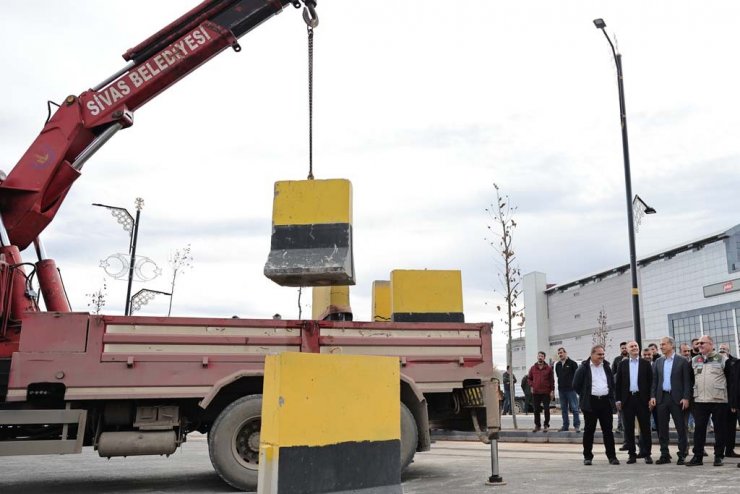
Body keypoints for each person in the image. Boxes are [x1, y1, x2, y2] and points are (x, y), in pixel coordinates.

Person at [686, 335, 731, 467]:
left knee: (719, 430)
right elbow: (690, 380)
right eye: (698, 343)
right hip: (700, 401)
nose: (699, 345)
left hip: (719, 401)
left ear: (711, 344)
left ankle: (718, 457)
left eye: (702, 343)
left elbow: (730, 380)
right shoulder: (695, 360)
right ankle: (697, 457)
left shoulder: (722, 359)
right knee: (699, 430)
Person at [573, 344, 619, 465]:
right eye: (599, 354)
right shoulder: (583, 368)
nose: (602, 356)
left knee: (608, 431)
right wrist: (585, 396)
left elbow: (611, 384)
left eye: (603, 354)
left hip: (605, 403)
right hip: (590, 403)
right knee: (589, 431)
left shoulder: (607, 367)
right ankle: (587, 457)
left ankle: (612, 457)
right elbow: (576, 385)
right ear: (592, 354)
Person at [649, 336, 691, 465]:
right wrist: (653, 396)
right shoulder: (658, 362)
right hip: (662, 398)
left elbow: (687, 381)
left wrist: (686, 397)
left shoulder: (682, 361)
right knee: (662, 428)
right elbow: (654, 381)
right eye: (660, 344)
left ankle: (682, 454)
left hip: (678, 399)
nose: (661, 346)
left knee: (681, 428)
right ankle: (664, 454)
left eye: (663, 344)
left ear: (671, 345)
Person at [615, 341, 653, 464]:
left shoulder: (645, 364)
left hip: (642, 400)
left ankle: (647, 453)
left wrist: (651, 398)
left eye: (636, 346)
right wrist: (618, 399)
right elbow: (618, 383)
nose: (635, 348)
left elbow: (651, 382)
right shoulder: (622, 364)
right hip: (628, 400)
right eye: (632, 346)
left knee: (645, 428)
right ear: (627, 349)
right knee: (629, 429)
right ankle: (632, 454)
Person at [718, 343, 739, 458]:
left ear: (728, 351)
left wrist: (733, 401)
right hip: (718, 398)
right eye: (720, 349)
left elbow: (734, 382)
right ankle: (719, 450)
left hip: (731, 399)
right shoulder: (714, 361)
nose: (722, 351)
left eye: (724, 349)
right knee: (720, 426)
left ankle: (729, 450)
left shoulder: (735, 362)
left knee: (731, 426)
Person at [555, 347, 581, 432]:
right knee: (564, 410)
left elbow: (577, 377)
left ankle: (577, 425)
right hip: (561, 390)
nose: (560, 354)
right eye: (559, 353)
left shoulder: (573, 363)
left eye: (561, 353)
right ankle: (565, 426)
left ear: (566, 353)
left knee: (574, 409)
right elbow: (559, 376)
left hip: (571, 390)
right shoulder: (557, 365)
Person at [527, 351, 554, 432]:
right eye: (539, 356)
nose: (540, 357)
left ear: (544, 358)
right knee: (536, 410)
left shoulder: (548, 368)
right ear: (537, 357)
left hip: (546, 392)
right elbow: (529, 378)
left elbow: (551, 380)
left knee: (546, 409)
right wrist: (532, 385)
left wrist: (552, 390)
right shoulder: (533, 368)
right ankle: (537, 425)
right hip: (536, 392)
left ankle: (546, 425)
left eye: (542, 356)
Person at [613, 342, 629, 434]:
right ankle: (620, 426)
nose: (624, 349)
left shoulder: (632, 359)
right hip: (619, 389)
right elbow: (613, 375)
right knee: (620, 410)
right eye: (622, 348)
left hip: (630, 390)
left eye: (625, 348)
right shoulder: (616, 360)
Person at [680, 343, 696, 434]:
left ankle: (699, 447)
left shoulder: (695, 361)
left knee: (700, 424)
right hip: (682, 398)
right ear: (680, 352)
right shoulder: (677, 363)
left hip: (695, 398)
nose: (687, 353)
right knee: (683, 424)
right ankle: (684, 447)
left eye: (688, 351)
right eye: (684, 351)